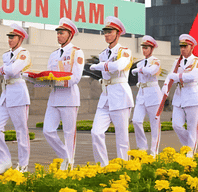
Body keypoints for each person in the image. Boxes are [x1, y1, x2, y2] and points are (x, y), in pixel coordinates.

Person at [89, 16, 134, 166]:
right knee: (96, 132)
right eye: (105, 31)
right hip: (106, 96)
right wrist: (102, 64)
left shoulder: (124, 51)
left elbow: (118, 66)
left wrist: (99, 66)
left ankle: (124, 168)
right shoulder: (103, 53)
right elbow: (111, 66)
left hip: (121, 96)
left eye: (110, 31)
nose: (106, 34)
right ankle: (103, 166)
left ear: (118, 33)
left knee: (122, 138)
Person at [42, 18, 85, 170]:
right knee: (47, 130)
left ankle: (69, 164)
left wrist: (57, 81)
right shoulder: (53, 54)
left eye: (62, 33)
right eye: (58, 33)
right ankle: (65, 157)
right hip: (54, 98)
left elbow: (76, 77)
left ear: (70, 35)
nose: (59, 35)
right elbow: (49, 73)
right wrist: (41, 79)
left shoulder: (76, 52)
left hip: (69, 97)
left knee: (69, 133)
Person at [0, 24, 32, 173]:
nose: (10, 39)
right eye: (9, 36)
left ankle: (23, 165)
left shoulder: (24, 54)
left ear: (20, 39)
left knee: (21, 131)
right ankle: (5, 161)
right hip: (6, 93)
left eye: (12, 37)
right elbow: (8, 70)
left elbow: (13, 70)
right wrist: (3, 70)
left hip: (18, 94)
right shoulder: (6, 55)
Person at [162, 34, 198, 156]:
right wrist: (165, 87)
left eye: (185, 46)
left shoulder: (197, 61)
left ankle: (190, 153)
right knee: (176, 125)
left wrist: (178, 77)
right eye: (181, 47)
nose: (183, 49)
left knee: (192, 127)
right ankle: (189, 146)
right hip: (179, 96)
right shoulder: (177, 62)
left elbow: (193, 76)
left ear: (192, 47)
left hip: (192, 96)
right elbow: (170, 75)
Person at [132, 35, 162, 156]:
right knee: (136, 120)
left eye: (146, 48)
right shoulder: (140, 63)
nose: (144, 50)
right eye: (143, 47)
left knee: (155, 125)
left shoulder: (156, 61)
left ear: (152, 49)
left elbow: (151, 71)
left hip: (153, 94)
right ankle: (142, 147)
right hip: (142, 93)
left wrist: (139, 70)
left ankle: (154, 152)